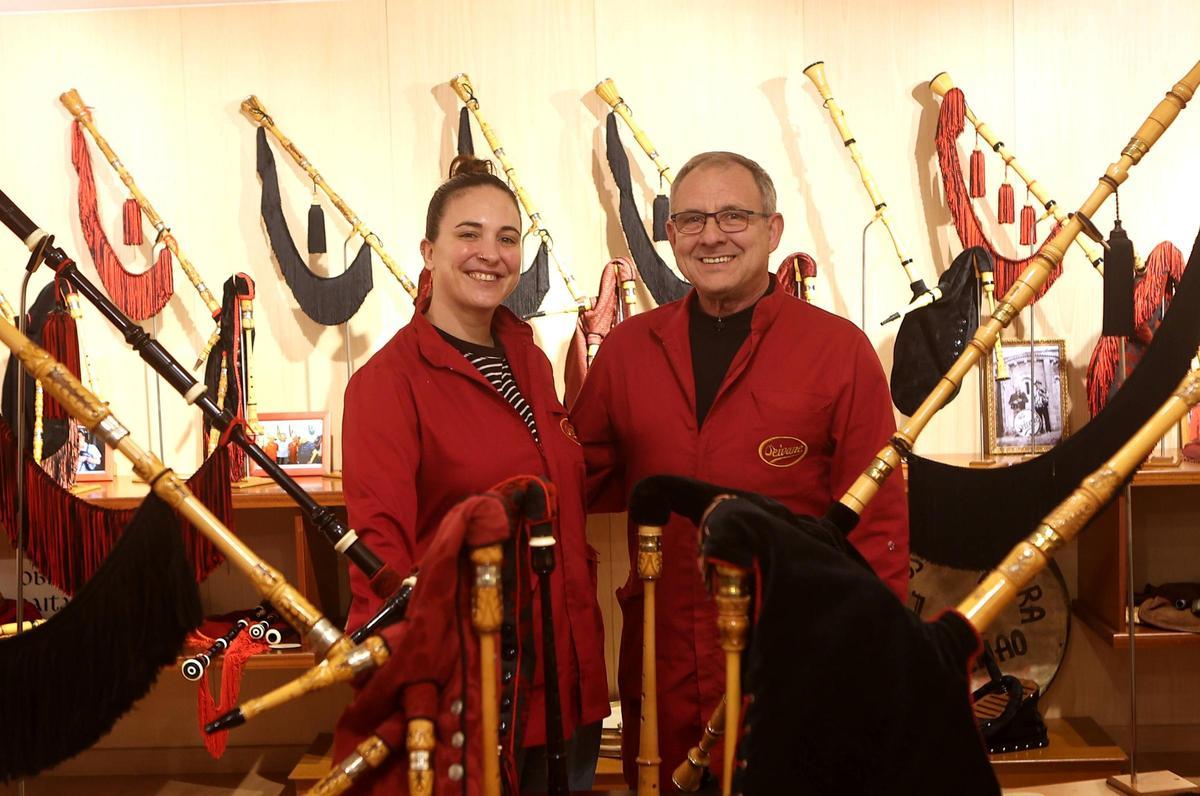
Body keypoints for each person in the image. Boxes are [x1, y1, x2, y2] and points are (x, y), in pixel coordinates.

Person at [571, 151, 909, 789]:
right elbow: (576, 476)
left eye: (734, 216)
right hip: (663, 655)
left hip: (791, 655)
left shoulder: (839, 352)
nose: (712, 235)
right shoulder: (626, 351)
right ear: (670, 236)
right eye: (692, 219)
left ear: (774, 230)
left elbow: (879, 522)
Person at [338, 155, 608, 791]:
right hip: (479, 691)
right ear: (428, 251)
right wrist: (409, 699)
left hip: (571, 681)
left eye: (507, 238)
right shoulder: (386, 385)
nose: (490, 252)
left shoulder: (531, 361)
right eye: (469, 234)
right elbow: (379, 560)